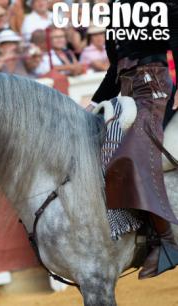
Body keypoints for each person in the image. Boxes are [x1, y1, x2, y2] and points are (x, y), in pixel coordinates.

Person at [89, 0, 178, 280]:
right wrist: (93, 105)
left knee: (133, 156)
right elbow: (115, 68)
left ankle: (169, 242)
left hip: (154, 88)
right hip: (126, 93)